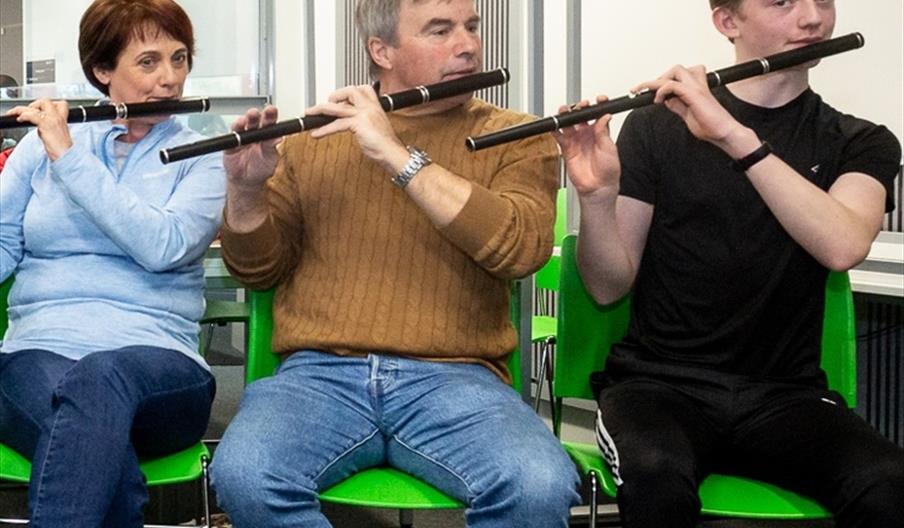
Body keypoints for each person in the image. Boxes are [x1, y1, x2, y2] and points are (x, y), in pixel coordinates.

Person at [209, 0, 580, 526]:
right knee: (246, 474)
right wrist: (245, 190)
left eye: (471, 26)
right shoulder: (310, 142)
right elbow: (258, 271)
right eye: (440, 30)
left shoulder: (519, 135)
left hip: (456, 378)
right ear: (380, 51)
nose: (468, 44)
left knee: (539, 485)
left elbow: (521, 249)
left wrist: (399, 156)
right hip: (319, 375)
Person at [555, 0, 904, 527]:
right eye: (782, 3)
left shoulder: (861, 141)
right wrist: (598, 197)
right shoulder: (655, 127)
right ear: (727, 22)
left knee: (890, 484)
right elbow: (607, 288)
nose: (812, 18)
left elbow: (842, 244)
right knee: (655, 481)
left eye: (823, 1)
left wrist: (732, 134)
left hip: (787, 396)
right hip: (659, 387)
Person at [0, 0, 225, 525]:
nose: (170, 79)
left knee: (100, 377)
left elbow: (164, 245)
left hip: (162, 367)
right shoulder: (43, 145)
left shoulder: (206, 152)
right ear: (103, 71)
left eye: (179, 58)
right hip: (38, 353)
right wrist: (58, 149)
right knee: (107, 463)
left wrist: (70, 159)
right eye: (148, 63)